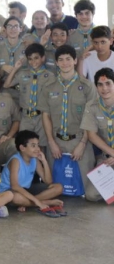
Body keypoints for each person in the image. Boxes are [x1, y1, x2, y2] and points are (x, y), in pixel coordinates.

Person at [38, 45, 96, 193]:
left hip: (79, 140)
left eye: (68, 59)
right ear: (56, 63)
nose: (65, 63)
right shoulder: (48, 87)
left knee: (86, 191)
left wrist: (82, 144)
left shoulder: (87, 86)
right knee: (54, 188)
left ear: (75, 61)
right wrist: (51, 143)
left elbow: (91, 118)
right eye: (61, 60)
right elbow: (46, 115)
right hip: (56, 142)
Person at [0, 130, 64, 215]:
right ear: (22, 148)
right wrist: (37, 202)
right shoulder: (15, 160)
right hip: (9, 192)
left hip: (26, 190)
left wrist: (44, 161)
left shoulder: (34, 159)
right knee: (16, 197)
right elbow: (15, 186)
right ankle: (44, 202)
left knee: (59, 187)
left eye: (37, 145)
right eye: (33, 146)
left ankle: (28, 204)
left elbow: (48, 181)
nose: (38, 149)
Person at [3, 43, 54, 148]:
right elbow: (6, 84)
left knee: (41, 146)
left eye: (36, 58)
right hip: (26, 117)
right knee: (24, 147)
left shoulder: (49, 76)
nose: (33, 62)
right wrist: (15, 68)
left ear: (43, 58)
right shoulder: (22, 73)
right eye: (30, 59)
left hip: (42, 117)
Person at [80, 68, 114, 202]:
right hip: (107, 158)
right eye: (100, 84)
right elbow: (92, 135)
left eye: (108, 84)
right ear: (96, 86)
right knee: (91, 195)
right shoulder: (92, 106)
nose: (104, 88)